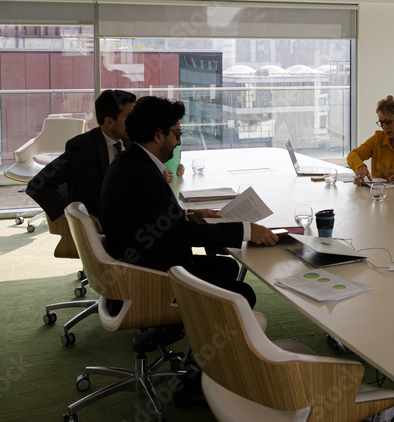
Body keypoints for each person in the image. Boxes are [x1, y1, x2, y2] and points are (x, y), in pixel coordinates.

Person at [100, 96, 277, 304]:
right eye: (177, 134)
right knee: (243, 295)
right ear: (158, 135)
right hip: (150, 278)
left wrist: (185, 214)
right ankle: (181, 324)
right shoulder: (141, 174)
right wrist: (247, 230)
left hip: (143, 260)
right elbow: (181, 234)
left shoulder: (130, 161)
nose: (179, 142)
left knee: (227, 268)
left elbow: (150, 215)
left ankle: (182, 325)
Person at [26, 89, 136, 223]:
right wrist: (77, 216)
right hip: (104, 225)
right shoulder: (82, 148)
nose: (135, 122)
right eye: (129, 117)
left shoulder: (132, 142)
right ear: (109, 121)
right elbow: (37, 186)